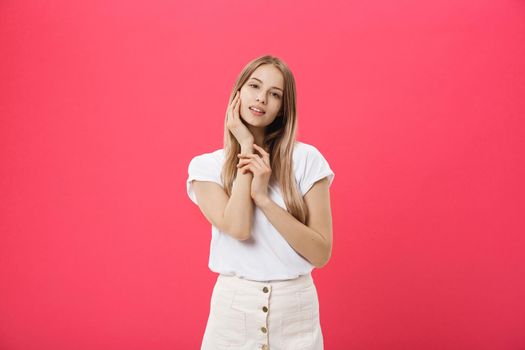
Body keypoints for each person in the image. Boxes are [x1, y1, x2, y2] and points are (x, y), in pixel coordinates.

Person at [186, 54, 335, 350]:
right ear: (237, 93)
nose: (262, 99)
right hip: (233, 313)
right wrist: (244, 147)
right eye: (254, 86)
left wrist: (263, 199)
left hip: (296, 313)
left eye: (275, 94)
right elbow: (239, 228)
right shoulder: (205, 168)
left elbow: (320, 253)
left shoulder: (306, 160)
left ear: (282, 108)